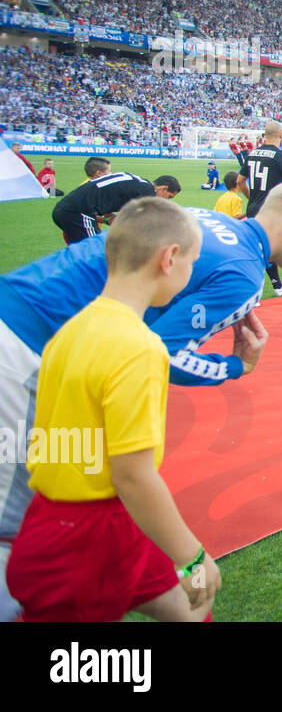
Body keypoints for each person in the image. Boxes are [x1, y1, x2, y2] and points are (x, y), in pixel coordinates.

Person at [0, 181, 282, 620]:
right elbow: (162, 355)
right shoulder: (242, 272)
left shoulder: (200, 217)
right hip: (24, 350)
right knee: (15, 524)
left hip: (29, 317)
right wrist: (237, 367)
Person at [5, 199, 222, 621]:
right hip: (89, 535)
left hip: (53, 518)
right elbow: (133, 474)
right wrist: (192, 556)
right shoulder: (138, 347)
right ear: (170, 258)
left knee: (192, 610)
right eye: (192, 262)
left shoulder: (73, 327)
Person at [238, 120, 282, 296]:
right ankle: (255, 291)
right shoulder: (280, 155)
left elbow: (239, 181)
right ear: (281, 135)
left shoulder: (252, 154)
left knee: (264, 247)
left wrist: (252, 197)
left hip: (253, 208)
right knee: (264, 250)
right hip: (270, 210)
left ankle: (277, 285)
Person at [52, 172, 181, 245]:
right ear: (162, 189)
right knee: (96, 253)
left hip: (65, 210)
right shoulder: (148, 193)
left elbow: (102, 199)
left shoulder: (138, 183)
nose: (166, 201)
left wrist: (110, 219)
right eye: (168, 197)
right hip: (79, 214)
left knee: (81, 257)